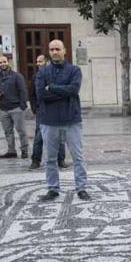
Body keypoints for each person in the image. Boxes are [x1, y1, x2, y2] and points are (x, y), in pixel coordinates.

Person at [35, 38, 89, 201]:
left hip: (71, 120)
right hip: (49, 121)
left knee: (78, 157)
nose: (54, 52)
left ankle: (81, 188)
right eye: (51, 50)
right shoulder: (42, 72)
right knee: (50, 158)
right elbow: (41, 94)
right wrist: (60, 92)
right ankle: (53, 188)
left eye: (57, 49)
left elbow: (73, 90)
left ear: (65, 51)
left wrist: (52, 87)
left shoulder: (74, 70)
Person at [29, 53, 66, 170]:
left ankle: (61, 160)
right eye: (37, 62)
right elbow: (33, 94)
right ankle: (35, 160)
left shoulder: (57, 75)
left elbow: (60, 92)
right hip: (42, 110)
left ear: (47, 62)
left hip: (57, 109)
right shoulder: (36, 76)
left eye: (40, 61)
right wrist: (35, 108)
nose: (38, 64)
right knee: (39, 136)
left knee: (60, 136)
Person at [0, 54, 29, 159]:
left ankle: (24, 150)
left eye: (4, 62)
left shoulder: (17, 76)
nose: (2, 64)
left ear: (8, 62)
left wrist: (23, 106)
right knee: (8, 132)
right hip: (4, 108)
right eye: (0, 62)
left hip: (16, 108)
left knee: (21, 131)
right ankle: (11, 151)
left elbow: (23, 90)